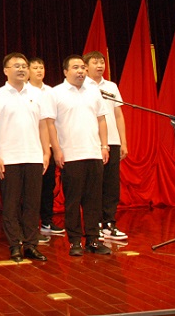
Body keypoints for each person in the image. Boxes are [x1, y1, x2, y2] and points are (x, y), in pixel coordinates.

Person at [0, 53, 52, 262]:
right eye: (17, 66)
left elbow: (43, 125)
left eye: (24, 66)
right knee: (11, 205)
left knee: (32, 204)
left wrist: (46, 151)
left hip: (34, 156)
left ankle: (31, 245)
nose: (22, 69)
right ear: (6, 71)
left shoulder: (38, 94)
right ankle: (15, 244)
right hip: (9, 158)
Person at [49, 55, 111, 256]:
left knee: (94, 200)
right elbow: (50, 124)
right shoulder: (56, 93)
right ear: (65, 71)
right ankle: (75, 241)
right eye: (75, 67)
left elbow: (101, 120)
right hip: (71, 155)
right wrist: (57, 149)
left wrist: (104, 146)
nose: (81, 71)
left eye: (83, 67)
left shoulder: (93, 91)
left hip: (93, 153)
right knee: (73, 201)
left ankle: (93, 239)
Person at [83, 51, 129, 241]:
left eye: (102, 62)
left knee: (111, 185)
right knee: (95, 184)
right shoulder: (82, 87)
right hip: (92, 142)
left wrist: (123, 141)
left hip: (113, 141)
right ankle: (95, 224)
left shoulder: (111, 86)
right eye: (95, 62)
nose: (100, 65)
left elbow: (118, 115)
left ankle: (110, 222)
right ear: (86, 67)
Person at [28, 57, 66, 237]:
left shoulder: (52, 92)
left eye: (41, 67)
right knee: (30, 189)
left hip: (48, 146)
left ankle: (47, 221)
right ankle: (29, 224)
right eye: (35, 67)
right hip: (30, 146)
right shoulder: (24, 91)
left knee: (48, 186)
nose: (39, 70)